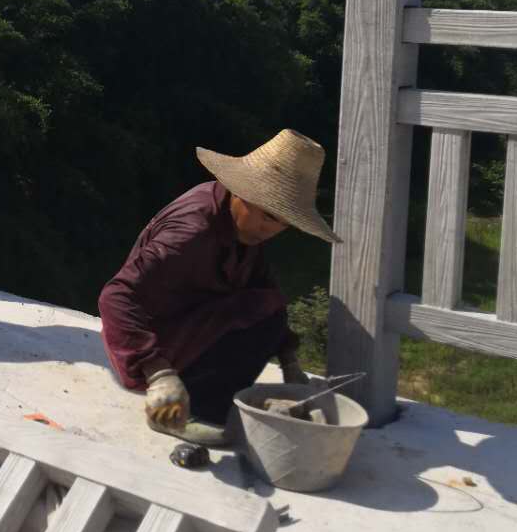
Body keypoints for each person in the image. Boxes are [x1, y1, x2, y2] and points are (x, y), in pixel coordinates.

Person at [98, 129, 341, 446]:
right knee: (254, 321)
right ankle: (179, 413)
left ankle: (210, 396)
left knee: (268, 311)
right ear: (241, 193)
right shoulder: (191, 232)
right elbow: (115, 297)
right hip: (151, 345)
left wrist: (290, 362)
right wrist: (158, 372)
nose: (270, 230)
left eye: (284, 223)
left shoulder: (243, 226)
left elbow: (267, 294)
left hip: (195, 324)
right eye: (268, 216)